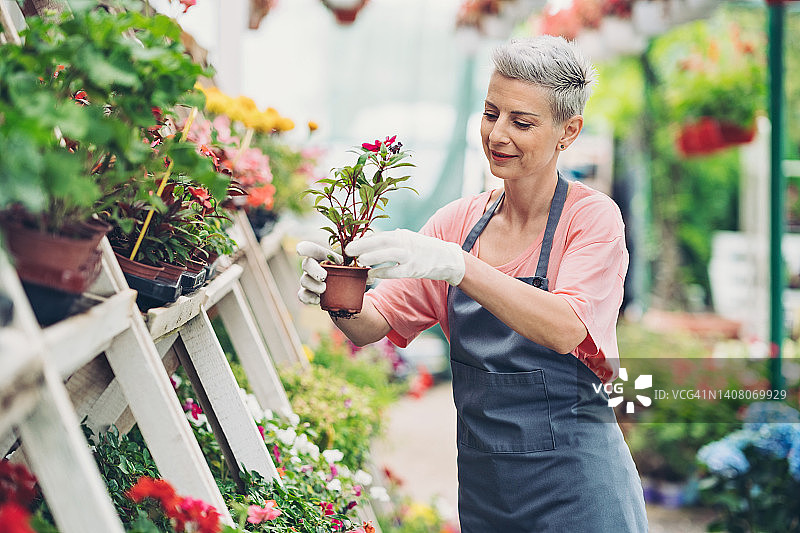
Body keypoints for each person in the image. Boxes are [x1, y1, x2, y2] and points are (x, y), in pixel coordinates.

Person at [297, 35, 648, 532]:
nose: (497, 134)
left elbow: (566, 328)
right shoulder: (456, 224)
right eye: (490, 113)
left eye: (521, 122)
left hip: (579, 490)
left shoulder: (591, 219)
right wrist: (336, 295)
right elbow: (373, 325)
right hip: (489, 492)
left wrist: (460, 267)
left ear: (568, 132)